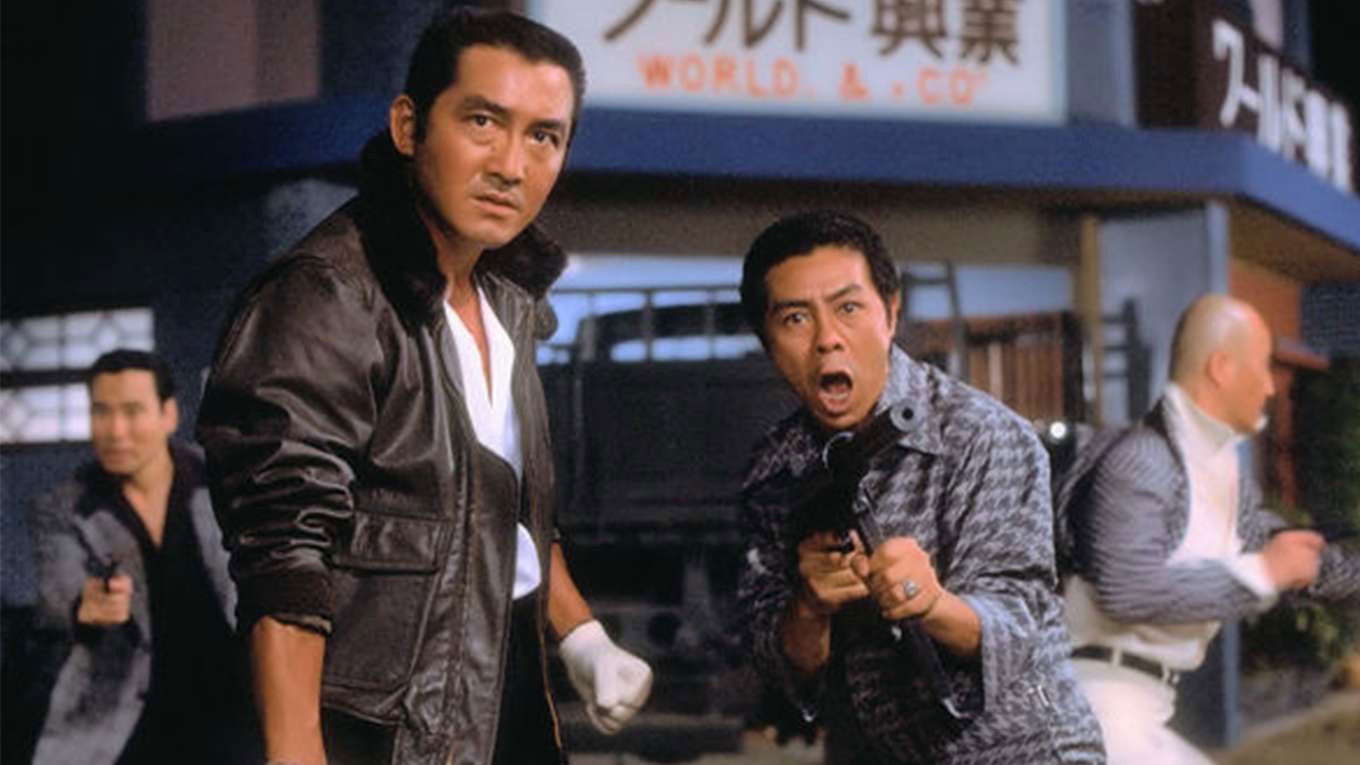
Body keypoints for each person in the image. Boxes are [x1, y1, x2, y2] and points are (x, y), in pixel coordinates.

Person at [196, 9, 651, 765]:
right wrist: (295, 750)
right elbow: (283, 551)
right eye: (483, 121)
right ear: (408, 126)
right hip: (374, 728)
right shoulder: (328, 296)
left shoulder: (509, 301)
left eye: (544, 136)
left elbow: (505, 510)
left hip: (501, 695)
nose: (511, 165)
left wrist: (582, 636)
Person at [735, 211, 1105, 764]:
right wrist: (809, 607)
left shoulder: (981, 435)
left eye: (848, 308)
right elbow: (779, 663)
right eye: (795, 318)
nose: (828, 339)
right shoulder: (774, 472)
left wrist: (931, 603)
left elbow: (1014, 625)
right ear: (768, 342)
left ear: (890, 313)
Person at [1058, 293, 1360, 764]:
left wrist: (1305, 567)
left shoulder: (1215, 470)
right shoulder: (1143, 459)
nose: (1270, 387)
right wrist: (1265, 572)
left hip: (1135, 708)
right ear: (1221, 368)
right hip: (1091, 704)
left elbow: (1288, 554)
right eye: (1262, 367)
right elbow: (1125, 588)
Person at [28, 349, 258, 765]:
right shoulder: (64, 506)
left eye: (133, 411)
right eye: (101, 411)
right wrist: (85, 608)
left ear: (169, 414)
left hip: (234, 714)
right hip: (121, 721)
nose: (116, 431)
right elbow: (55, 602)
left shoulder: (222, 483)